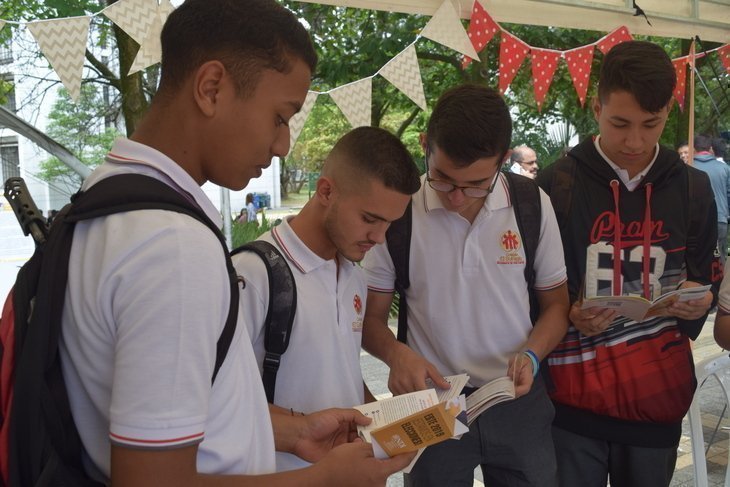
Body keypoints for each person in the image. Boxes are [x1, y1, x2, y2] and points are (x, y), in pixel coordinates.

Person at [58, 0, 413, 485]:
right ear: (211, 88)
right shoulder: (173, 247)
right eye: (280, 116)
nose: (284, 144)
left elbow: (196, 408)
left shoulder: (106, 198)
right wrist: (324, 479)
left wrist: (294, 431)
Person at [362, 84, 570, 487]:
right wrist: (395, 354)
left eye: (476, 184)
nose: (457, 197)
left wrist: (532, 354)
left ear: (502, 161)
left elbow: (556, 306)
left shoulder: (530, 204)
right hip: (432, 402)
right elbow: (369, 321)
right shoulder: (400, 212)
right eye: (442, 178)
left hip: (516, 397)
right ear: (425, 144)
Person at [536, 40, 719, 487]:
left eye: (651, 124)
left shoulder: (693, 189)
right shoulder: (556, 185)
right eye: (620, 123)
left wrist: (700, 300)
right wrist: (567, 312)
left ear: (667, 113)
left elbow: (702, 275)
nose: (634, 141)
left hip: (656, 402)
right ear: (596, 106)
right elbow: (530, 291)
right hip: (571, 405)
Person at [234, 126, 420, 472]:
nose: (379, 238)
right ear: (325, 191)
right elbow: (215, 406)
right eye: (369, 219)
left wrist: (388, 425)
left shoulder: (352, 276)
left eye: (390, 224)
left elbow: (341, 373)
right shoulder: (253, 274)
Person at [693, 134, 730, 267]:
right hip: (720, 219)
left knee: (697, 257)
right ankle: (723, 286)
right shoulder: (724, 168)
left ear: (693, 148)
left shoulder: (688, 167)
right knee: (720, 256)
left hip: (695, 221)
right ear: (710, 148)